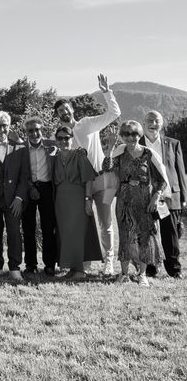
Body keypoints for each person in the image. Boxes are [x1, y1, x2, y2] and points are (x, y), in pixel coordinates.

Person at [54, 74, 121, 276]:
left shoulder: (87, 124)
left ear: (72, 109)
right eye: (60, 111)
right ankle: (84, 264)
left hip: (101, 180)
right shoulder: (61, 136)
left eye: (66, 108)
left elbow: (115, 113)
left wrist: (106, 92)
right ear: (58, 116)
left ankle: (109, 261)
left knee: (105, 222)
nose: (64, 112)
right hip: (79, 186)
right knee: (81, 224)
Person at [103, 121, 168, 287]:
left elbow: (162, 179)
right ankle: (124, 274)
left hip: (145, 201)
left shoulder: (148, 153)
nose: (130, 138)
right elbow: (106, 168)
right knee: (125, 236)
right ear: (122, 136)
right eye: (125, 134)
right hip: (124, 201)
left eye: (133, 134)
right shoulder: (120, 152)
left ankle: (142, 275)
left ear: (139, 135)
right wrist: (110, 146)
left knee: (144, 238)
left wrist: (156, 197)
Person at [140, 110, 186, 279]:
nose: (153, 123)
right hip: (145, 196)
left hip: (168, 196)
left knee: (171, 236)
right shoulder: (136, 144)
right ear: (143, 124)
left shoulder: (173, 144)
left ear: (162, 123)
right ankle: (151, 269)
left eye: (156, 120)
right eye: (149, 120)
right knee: (147, 235)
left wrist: (183, 198)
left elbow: (180, 172)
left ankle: (174, 270)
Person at [52, 126, 102, 279]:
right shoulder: (55, 157)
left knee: (79, 233)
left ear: (71, 138)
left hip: (78, 199)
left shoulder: (79, 155)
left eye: (66, 138)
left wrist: (88, 200)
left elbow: (88, 179)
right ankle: (73, 267)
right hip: (61, 201)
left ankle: (81, 269)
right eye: (59, 138)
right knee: (66, 234)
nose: (63, 141)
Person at [0, 111, 29, 281]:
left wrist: (19, 198)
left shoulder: (19, 148)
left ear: (9, 127)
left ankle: (14, 268)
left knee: (14, 233)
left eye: (4, 125)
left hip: (13, 200)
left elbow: (25, 176)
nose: (1, 129)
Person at [22, 117, 58, 276]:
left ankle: (50, 264)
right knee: (28, 228)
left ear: (42, 130)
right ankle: (31, 264)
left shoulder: (52, 145)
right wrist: (29, 186)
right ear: (26, 133)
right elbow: (20, 171)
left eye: (37, 129)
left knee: (48, 227)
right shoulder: (21, 148)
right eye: (30, 130)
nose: (34, 133)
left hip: (47, 188)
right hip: (28, 188)